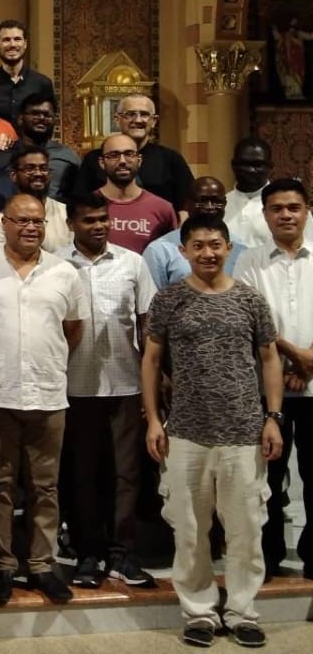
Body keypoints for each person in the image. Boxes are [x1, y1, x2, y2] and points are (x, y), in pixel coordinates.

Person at [142, 214, 283, 649]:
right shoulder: (168, 300)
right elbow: (151, 361)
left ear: (228, 248)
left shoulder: (249, 299)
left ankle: (242, 612)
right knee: (189, 530)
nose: (208, 253)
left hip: (244, 432)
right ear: (183, 251)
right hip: (186, 432)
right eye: (198, 246)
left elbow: (269, 358)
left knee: (245, 531)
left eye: (216, 245)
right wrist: (153, 419)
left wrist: (273, 416)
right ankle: (199, 612)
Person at [0, 194, 84, 606]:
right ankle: (2, 564)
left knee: (45, 486)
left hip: (48, 393)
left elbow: (72, 330)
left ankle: (41, 564)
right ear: (4, 223)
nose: (31, 228)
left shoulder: (64, 272)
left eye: (37, 221)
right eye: (21, 221)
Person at [60, 193, 158, 589]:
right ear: (71, 224)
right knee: (81, 475)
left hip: (125, 383)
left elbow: (148, 324)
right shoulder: (57, 265)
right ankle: (87, 554)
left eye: (104, 219)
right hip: (73, 386)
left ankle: (122, 555)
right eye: (89, 220)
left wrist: (152, 384)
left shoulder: (132, 263)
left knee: (126, 474)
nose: (99, 226)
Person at [233, 179, 313, 581]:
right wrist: (295, 357)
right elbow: (250, 317)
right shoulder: (249, 262)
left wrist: (306, 363)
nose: (286, 215)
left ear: (307, 211)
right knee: (268, 475)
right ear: (264, 215)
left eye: (293, 208)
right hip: (268, 386)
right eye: (277, 208)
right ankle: (268, 556)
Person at [76, 94, 194, 214]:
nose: (138, 120)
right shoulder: (94, 159)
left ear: (154, 121)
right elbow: (80, 203)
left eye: (144, 114)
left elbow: (187, 205)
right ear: (117, 119)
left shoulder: (171, 159)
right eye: (131, 114)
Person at [143, 176, 244, 289]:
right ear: (187, 203)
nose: (210, 206)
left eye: (217, 201)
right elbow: (152, 297)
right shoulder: (160, 250)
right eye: (202, 201)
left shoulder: (240, 248)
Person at [96, 133, 178, 253]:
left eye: (129, 154)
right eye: (114, 155)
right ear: (102, 162)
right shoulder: (85, 206)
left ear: (139, 160)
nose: (122, 161)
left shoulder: (162, 209)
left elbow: (172, 256)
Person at [0, 145, 72, 253]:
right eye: (30, 168)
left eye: (43, 168)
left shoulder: (66, 212)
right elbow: (1, 260)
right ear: (13, 175)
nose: (38, 173)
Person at [9, 94, 79, 200]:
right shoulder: (4, 154)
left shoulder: (68, 156)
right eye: (35, 113)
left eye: (47, 115)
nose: (41, 118)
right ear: (20, 119)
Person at [0, 20, 56, 124]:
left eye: (17, 39)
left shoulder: (42, 83)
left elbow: (49, 121)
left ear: (25, 44)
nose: (12, 44)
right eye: (6, 40)